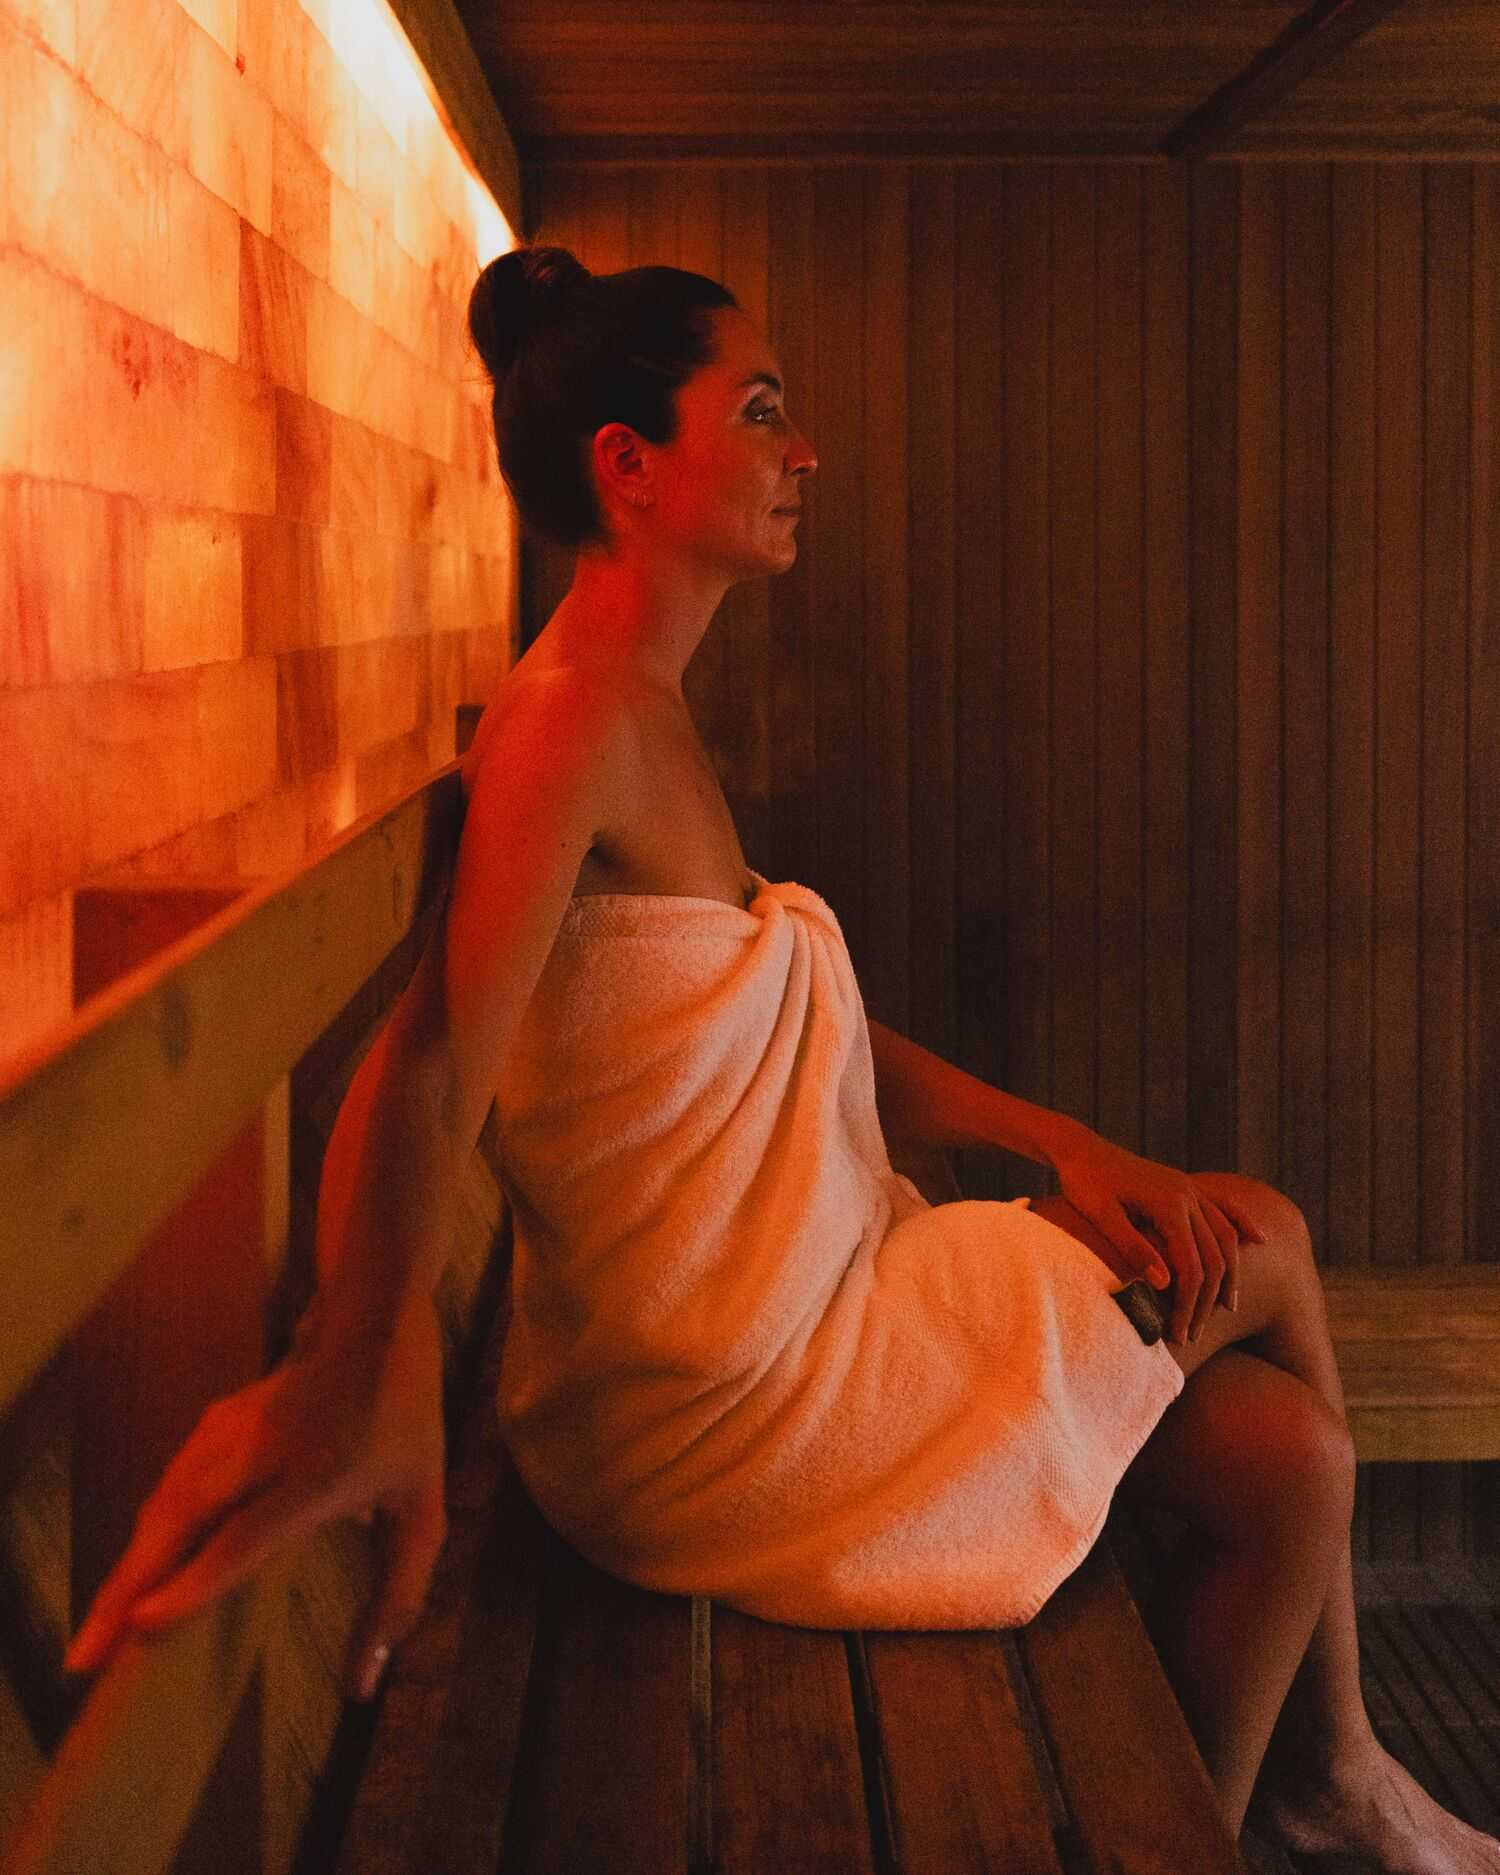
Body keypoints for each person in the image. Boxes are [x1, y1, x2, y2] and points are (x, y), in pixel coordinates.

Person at [63, 246, 1498, 1875]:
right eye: (759, 412)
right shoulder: (568, 723)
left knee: (1293, 1472)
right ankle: (1345, 1779)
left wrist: (1060, 1144)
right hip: (730, 1404)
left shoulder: (635, 708)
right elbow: (436, 1054)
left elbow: (777, 1021)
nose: (801, 450)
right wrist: (353, 1362)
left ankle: (1271, 1805)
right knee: (1272, 1242)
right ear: (630, 462)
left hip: (795, 1310)